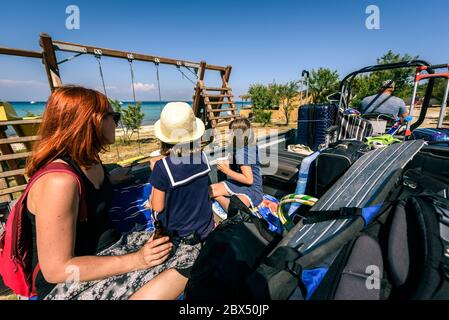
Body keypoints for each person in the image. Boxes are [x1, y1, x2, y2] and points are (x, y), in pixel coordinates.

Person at [25, 86, 190, 300]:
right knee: (188, 267)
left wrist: (110, 180)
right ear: (93, 121)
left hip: (112, 249)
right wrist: (138, 260)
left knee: (190, 248)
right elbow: (57, 270)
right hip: (71, 280)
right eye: (114, 116)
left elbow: (88, 194)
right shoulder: (58, 182)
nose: (117, 122)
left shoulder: (90, 162)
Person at [147, 102, 214, 284]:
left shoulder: (162, 168)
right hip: (206, 229)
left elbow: (157, 206)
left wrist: (156, 173)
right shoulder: (203, 157)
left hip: (182, 236)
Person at [209, 118, 263, 213]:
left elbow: (249, 180)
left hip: (252, 190)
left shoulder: (242, 152)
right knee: (210, 190)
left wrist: (226, 170)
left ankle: (219, 198)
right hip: (242, 184)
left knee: (234, 210)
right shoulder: (247, 145)